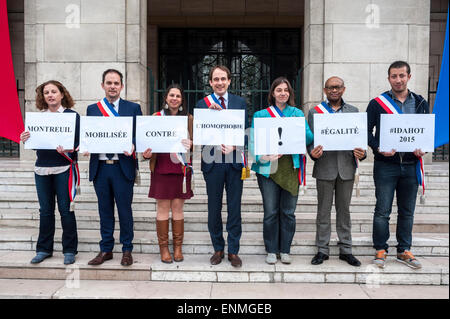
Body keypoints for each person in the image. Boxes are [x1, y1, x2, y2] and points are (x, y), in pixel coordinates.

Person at [367, 61, 429, 269]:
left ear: (409, 77)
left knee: (407, 211)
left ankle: (404, 250)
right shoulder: (377, 103)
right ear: (389, 79)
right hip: (386, 164)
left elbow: (425, 132)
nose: (398, 80)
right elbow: (366, 132)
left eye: (402, 75)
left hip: (411, 164)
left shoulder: (420, 102)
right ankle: (380, 249)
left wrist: (423, 148)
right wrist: (378, 148)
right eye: (394, 76)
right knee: (382, 210)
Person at [250, 77, 313, 265]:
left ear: (290, 93)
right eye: (279, 90)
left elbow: (309, 138)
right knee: (270, 211)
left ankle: (285, 249)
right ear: (273, 93)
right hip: (269, 169)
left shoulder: (297, 113)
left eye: (286, 90)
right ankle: (271, 249)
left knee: (288, 212)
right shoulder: (261, 115)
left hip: (290, 168)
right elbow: (252, 142)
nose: (283, 93)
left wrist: (298, 125)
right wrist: (263, 156)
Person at [86, 69, 142, 267]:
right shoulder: (92, 109)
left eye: (116, 83)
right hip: (100, 168)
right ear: (103, 85)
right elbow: (89, 135)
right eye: (109, 83)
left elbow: (140, 135)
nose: (112, 86)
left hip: (122, 167)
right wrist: (86, 146)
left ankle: (127, 249)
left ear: (122, 86)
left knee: (125, 210)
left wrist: (134, 145)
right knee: (105, 211)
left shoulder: (133, 108)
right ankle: (106, 249)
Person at [307, 76, 366, 267]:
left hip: (347, 168)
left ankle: (346, 250)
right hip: (324, 167)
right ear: (325, 90)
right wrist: (312, 153)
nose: (334, 90)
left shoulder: (354, 112)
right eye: (330, 88)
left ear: (343, 89)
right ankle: (322, 250)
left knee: (344, 211)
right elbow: (309, 140)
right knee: (323, 212)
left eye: (338, 87)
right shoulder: (315, 112)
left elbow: (359, 141)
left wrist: (362, 153)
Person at [20, 80, 79, 265]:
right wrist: (25, 138)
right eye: (46, 92)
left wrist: (68, 149)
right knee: (45, 211)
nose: (50, 95)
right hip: (42, 168)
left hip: (64, 168)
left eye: (54, 91)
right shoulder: (38, 118)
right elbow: (35, 145)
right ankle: (44, 249)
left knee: (65, 210)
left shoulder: (72, 116)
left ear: (62, 94)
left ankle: (69, 250)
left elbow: (79, 143)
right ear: (42, 97)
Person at [196, 65, 248, 267]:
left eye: (223, 79)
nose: (219, 82)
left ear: (229, 81)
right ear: (210, 82)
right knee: (214, 208)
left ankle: (233, 250)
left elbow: (245, 130)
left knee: (235, 208)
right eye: (215, 79)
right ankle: (218, 248)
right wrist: (209, 115)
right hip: (213, 162)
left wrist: (235, 145)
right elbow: (199, 133)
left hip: (234, 161)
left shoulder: (239, 102)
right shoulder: (202, 104)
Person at [142, 84, 193, 263]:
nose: (174, 98)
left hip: (180, 167)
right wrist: (145, 153)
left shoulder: (188, 119)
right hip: (161, 166)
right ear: (166, 98)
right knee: (163, 208)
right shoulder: (156, 117)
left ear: (181, 100)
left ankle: (177, 248)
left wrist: (191, 145)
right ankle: (164, 249)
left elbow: (195, 143)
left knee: (178, 208)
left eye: (178, 96)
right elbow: (146, 142)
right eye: (171, 95)